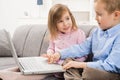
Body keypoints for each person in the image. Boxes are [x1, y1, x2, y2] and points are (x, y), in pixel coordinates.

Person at [47, 0, 120, 80]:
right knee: (68, 62)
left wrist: (82, 65)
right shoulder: (97, 32)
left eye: (99, 14)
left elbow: (111, 65)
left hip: (111, 73)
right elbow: (81, 48)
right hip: (92, 68)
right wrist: (60, 54)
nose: (95, 18)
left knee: (89, 72)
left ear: (116, 15)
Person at [42, 4, 87, 79]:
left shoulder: (79, 33)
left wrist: (75, 63)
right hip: (57, 71)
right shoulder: (55, 35)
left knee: (68, 61)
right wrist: (50, 55)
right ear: (54, 24)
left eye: (67, 18)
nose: (65, 24)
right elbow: (51, 48)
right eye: (60, 21)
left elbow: (84, 54)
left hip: (72, 69)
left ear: (71, 17)